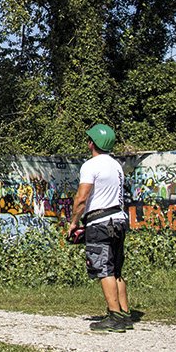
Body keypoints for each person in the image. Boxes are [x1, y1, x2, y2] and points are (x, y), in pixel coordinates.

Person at [68, 124, 132, 333]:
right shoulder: (116, 166)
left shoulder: (90, 165)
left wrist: (74, 222)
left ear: (91, 143)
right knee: (116, 270)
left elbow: (82, 197)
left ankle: (114, 317)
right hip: (119, 220)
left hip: (100, 223)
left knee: (103, 269)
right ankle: (125, 314)